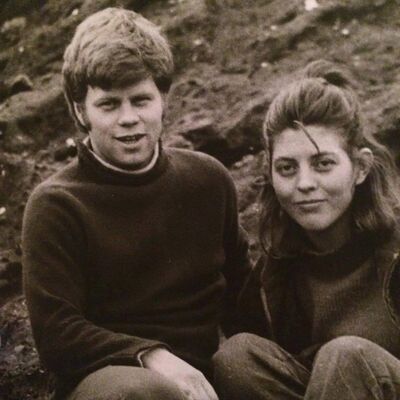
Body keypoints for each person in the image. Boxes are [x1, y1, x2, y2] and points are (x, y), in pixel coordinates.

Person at [22, 7, 249, 400]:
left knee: (248, 360)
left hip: (204, 382)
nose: (129, 118)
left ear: (163, 99)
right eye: (109, 104)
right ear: (80, 110)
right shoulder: (56, 205)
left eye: (141, 100)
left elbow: (245, 301)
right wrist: (149, 356)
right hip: (114, 383)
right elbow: (56, 333)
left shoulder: (209, 180)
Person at [213, 60, 400, 399]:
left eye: (323, 164)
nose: (304, 184)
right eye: (287, 168)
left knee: (345, 357)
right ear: (270, 174)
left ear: (360, 167)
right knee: (238, 358)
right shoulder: (277, 267)